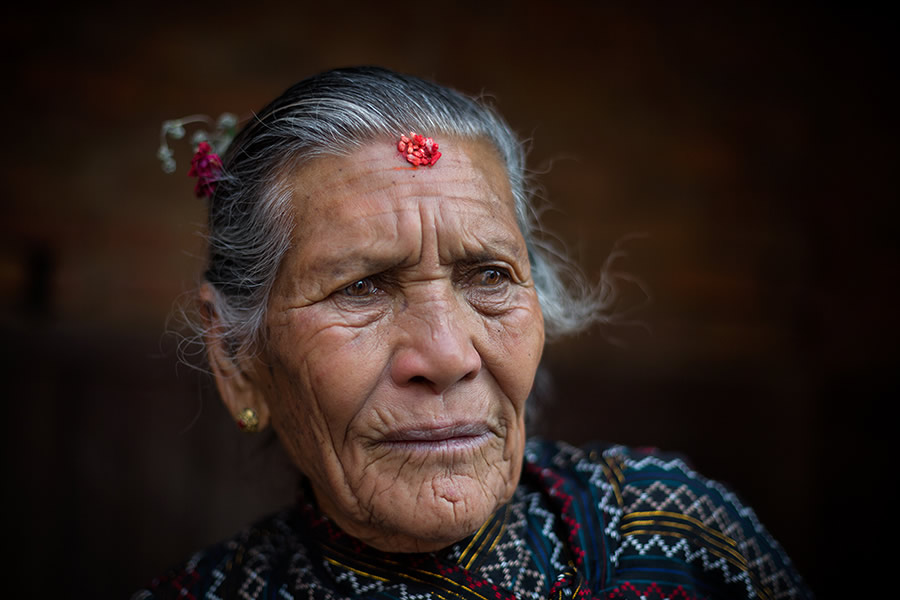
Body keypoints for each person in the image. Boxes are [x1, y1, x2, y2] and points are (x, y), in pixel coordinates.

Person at [137, 66, 812, 599]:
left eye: (489, 277)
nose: (449, 354)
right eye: (361, 288)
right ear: (237, 356)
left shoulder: (667, 527)